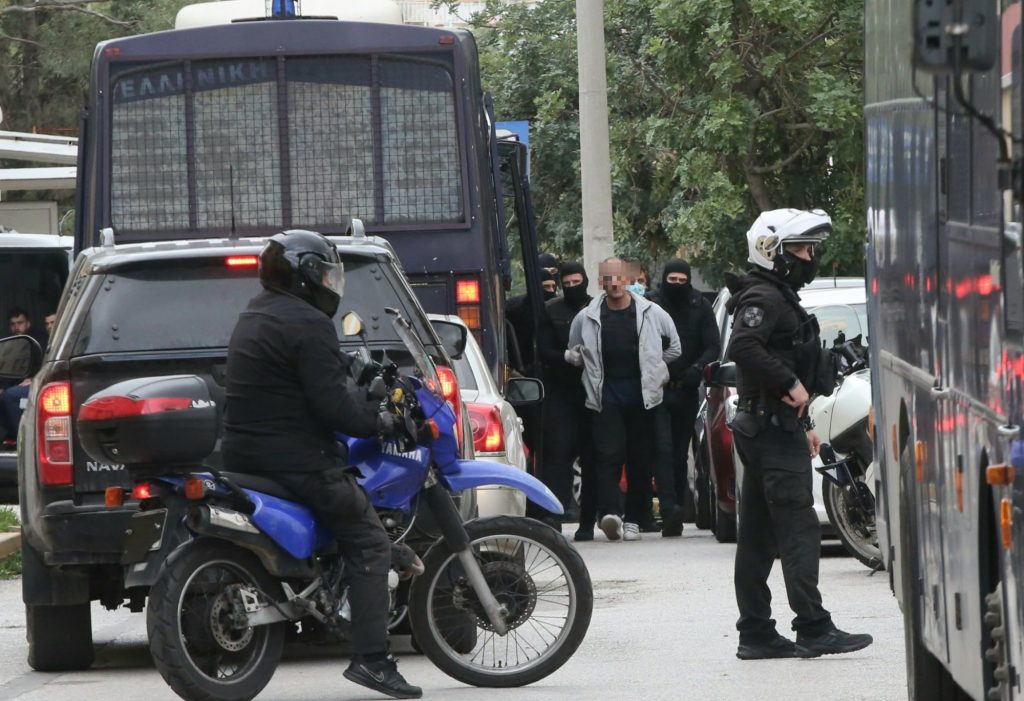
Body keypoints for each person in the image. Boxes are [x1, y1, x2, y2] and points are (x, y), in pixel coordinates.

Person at [221, 229, 422, 699]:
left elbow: (298, 379)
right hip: (298, 460)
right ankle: (373, 660)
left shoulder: (257, 312)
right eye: (327, 275)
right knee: (369, 540)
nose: (332, 285)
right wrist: (381, 421)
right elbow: (336, 411)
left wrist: (349, 369)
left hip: (246, 454)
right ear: (306, 275)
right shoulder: (309, 322)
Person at [726, 208, 872, 660]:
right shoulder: (763, 297)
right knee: (799, 530)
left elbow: (783, 358)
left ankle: (756, 633)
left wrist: (805, 421)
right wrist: (790, 384)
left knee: (757, 535)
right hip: (769, 432)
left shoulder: (777, 295)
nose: (809, 257)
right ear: (771, 251)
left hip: (771, 426)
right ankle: (813, 628)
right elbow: (743, 347)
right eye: (801, 249)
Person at [565, 258, 680, 542]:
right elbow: (573, 350)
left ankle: (634, 521)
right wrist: (576, 358)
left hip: (643, 396)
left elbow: (675, 348)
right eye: (608, 278)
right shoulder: (586, 316)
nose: (614, 284)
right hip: (605, 396)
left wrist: (656, 369)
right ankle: (611, 514)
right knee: (608, 455)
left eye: (618, 278)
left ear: (627, 279)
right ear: (600, 282)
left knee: (640, 458)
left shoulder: (652, 312)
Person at [648, 259, 721, 537]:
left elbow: (712, 345)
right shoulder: (651, 304)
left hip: (686, 390)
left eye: (682, 280)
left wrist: (697, 369)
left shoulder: (700, 305)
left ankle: (678, 506)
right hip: (657, 390)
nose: (677, 285)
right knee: (662, 450)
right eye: (672, 280)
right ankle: (668, 510)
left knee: (679, 453)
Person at [536, 261, 594, 539]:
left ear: (585, 281)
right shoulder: (551, 310)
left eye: (576, 282)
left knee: (594, 456)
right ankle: (554, 515)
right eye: (567, 284)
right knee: (558, 456)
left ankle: (590, 520)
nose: (572, 288)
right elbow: (544, 350)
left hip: (593, 392)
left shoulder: (597, 308)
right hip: (561, 391)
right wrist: (565, 357)